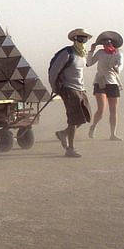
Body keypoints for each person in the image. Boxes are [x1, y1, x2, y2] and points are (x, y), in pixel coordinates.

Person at [49, 28, 93, 158]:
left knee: (86, 116)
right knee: (74, 119)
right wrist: (55, 87)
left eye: (84, 39)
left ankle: (63, 133)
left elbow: (86, 67)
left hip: (80, 89)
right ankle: (70, 148)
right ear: (74, 39)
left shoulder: (82, 54)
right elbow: (53, 72)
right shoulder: (67, 53)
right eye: (80, 38)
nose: (82, 41)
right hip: (68, 88)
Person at [86, 31, 124, 141]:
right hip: (100, 81)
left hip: (112, 82)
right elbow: (89, 63)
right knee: (101, 109)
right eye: (105, 44)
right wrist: (91, 51)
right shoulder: (100, 53)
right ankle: (93, 126)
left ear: (113, 44)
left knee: (113, 110)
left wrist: (118, 68)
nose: (107, 45)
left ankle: (113, 134)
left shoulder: (118, 53)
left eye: (109, 43)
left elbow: (121, 65)